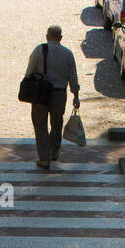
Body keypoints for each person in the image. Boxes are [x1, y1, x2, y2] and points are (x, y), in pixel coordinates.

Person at [23, 25, 80, 171]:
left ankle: (44, 159)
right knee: (57, 124)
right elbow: (73, 77)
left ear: (47, 36)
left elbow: (29, 73)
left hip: (41, 94)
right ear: (61, 38)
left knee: (40, 126)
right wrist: (76, 96)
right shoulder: (68, 54)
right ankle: (54, 151)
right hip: (60, 94)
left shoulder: (39, 50)